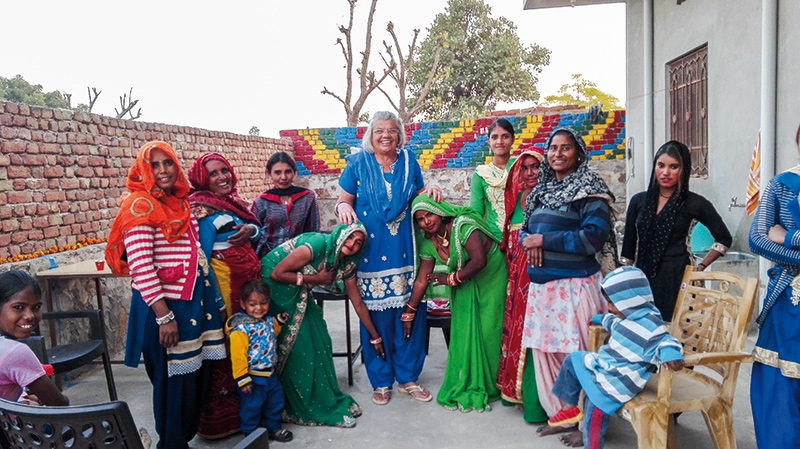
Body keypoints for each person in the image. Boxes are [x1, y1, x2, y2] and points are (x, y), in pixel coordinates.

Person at [105, 141, 226, 449]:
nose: (162, 171)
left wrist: (218, 304)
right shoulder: (140, 206)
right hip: (165, 309)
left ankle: (179, 440)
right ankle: (170, 444)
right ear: (143, 170)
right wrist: (165, 317)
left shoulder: (179, 203)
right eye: (154, 165)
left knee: (192, 382)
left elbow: (196, 255)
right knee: (172, 386)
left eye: (167, 163)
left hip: (193, 305)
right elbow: (142, 268)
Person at [336, 110, 441, 405]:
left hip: (405, 252)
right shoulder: (357, 163)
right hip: (369, 253)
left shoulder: (409, 161)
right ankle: (381, 380)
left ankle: (408, 378)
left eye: (392, 130)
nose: (386, 135)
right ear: (371, 135)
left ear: (400, 135)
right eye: (380, 130)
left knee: (409, 314)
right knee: (377, 316)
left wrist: (430, 188)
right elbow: (344, 200)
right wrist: (342, 208)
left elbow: (420, 199)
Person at [519, 128, 613, 446]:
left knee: (581, 356)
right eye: (553, 148)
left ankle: (590, 422)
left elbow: (592, 239)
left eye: (566, 148)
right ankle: (564, 415)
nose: (558, 154)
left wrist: (544, 240)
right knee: (547, 354)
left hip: (575, 289)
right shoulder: (541, 192)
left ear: (579, 153)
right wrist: (529, 240)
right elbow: (524, 230)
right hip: (543, 292)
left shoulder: (590, 191)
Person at [548, 266, 684, 449]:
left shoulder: (651, 325)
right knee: (573, 359)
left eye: (612, 303)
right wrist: (599, 318)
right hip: (606, 367)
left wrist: (670, 354)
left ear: (630, 300)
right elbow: (611, 322)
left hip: (618, 381)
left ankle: (593, 445)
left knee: (594, 415)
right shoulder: (625, 317)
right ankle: (570, 407)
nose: (610, 307)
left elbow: (666, 341)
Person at [261, 222, 375, 427]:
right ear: (340, 235)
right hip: (275, 287)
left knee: (320, 339)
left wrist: (375, 336)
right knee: (301, 344)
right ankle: (298, 405)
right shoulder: (318, 244)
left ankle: (322, 398)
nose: (352, 244)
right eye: (349, 238)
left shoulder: (347, 263)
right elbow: (276, 273)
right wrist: (316, 278)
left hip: (298, 289)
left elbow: (357, 302)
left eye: (358, 243)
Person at [187, 152, 263, 439]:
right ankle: (223, 422)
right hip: (227, 294)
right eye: (213, 174)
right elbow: (201, 260)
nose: (222, 177)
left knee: (250, 348)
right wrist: (217, 302)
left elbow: (254, 228)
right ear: (202, 179)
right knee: (231, 350)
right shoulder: (202, 209)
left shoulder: (231, 203)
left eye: (224, 171)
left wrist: (250, 230)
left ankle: (252, 411)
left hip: (246, 290)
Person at [411, 195, 507, 412]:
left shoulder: (463, 225)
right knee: (465, 329)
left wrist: (450, 279)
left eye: (429, 214)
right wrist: (409, 311)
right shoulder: (429, 241)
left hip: (491, 274)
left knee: (489, 329)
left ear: (440, 211)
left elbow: (479, 261)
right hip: (466, 279)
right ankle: (469, 379)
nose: (426, 221)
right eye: (420, 219)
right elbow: (421, 279)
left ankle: (492, 384)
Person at [620, 140, 731, 321]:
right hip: (643, 277)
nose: (665, 172)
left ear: (684, 169)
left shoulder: (695, 203)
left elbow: (724, 238)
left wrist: (700, 268)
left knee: (680, 334)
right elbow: (627, 250)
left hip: (680, 277)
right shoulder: (639, 201)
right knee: (643, 329)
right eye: (661, 165)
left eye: (674, 167)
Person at [748, 123, 800, 448]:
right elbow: (757, 237)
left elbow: (774, 236)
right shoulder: (782, 185)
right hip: (787, 305)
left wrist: (788, 236)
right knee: (780, 397)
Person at [497, 147, 547, 422]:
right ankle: (514, 392)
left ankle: (536, 401)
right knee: (516, 329)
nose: (529, 173)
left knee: (535, 333)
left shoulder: (548, 200)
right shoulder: (515, 201)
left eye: (535, 167)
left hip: (538, 276)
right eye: (524, 168)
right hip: (515, 280)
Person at [226, 280, 293, 443]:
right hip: (252, 377)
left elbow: (270, 334)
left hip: (270, 374)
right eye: (253, 304)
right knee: (252, 407)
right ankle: (251, 435)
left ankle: (274, 427)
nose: (259, 308)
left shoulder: (267, 320)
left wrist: (279, 321)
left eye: (263, 303)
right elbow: (237, 356)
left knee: (275, 401)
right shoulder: (241, 329)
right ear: (243, 304)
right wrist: (242, 378)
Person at [0, 270, 69, 407]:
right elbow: (58, 404)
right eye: (18, 307)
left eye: (36, 307)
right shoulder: (14, 352)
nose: (30, 316)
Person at [252, 151, 320, 259]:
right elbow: (254, 234)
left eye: (288, 171)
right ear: (269, 174)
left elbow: (313, 232)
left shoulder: (307, 198)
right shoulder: (262, 202)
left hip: (299, 259)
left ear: (294, 172)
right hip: (268, 259)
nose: (283, 177)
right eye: (277, 172)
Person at [470, 118, 516, 240]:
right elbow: (476, 211)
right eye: (494, 137)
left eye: (505, 136)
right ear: (489, 141)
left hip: (522, 238)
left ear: (513, 139)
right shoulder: (481, 174)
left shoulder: (521, 167)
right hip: (493, 240)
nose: (499, 141)